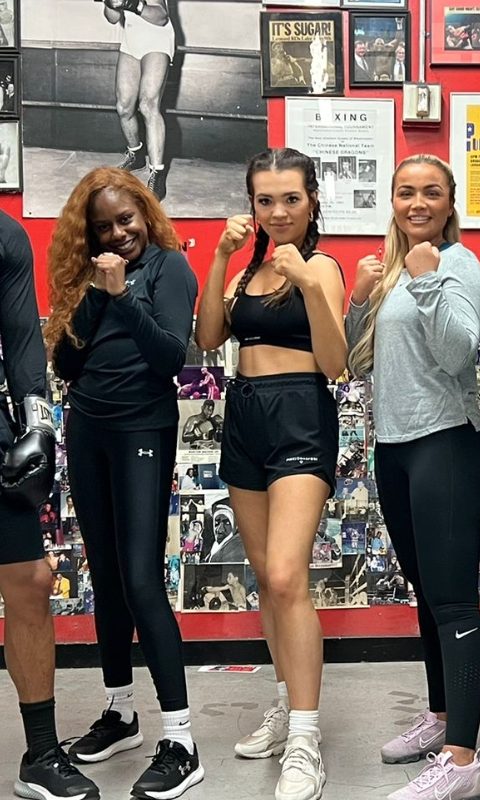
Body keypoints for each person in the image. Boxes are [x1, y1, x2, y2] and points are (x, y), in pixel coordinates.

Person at [44, 167, 201, 799]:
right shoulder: (90, 277)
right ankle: (121, 712)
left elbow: (170, 358)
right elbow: (66, 362)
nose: (117, 234)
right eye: (103, 226)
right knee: (104, 576)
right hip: (88, 429)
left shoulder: (169, 268)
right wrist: (94, 294)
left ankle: (182, 740)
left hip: (142, 428)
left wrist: (123, 295)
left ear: (146, 213)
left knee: (140, 579)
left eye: (126, 219)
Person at [195, 147, 346, 800]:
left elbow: (335, 364)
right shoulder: (247, 269)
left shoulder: (322, 266)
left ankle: (306, 741)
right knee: (264, 579)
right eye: (265, 200)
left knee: (288, 576)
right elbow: (208, 338)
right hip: (245, 414)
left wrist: (308, 285)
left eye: (291, 198)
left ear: (312, 202)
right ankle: (286, 707)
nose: (278, 211)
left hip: (300, 414)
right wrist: (220, 257)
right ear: (251, 204)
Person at [346, 153, 480, 800]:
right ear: (394, 201)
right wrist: (359, 298)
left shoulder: (458, 265)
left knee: (453, 600)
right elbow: (358, 363)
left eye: (432, 192)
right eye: (406, 192)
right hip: (395, 447)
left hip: (447, 443)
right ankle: (441, 718)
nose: (418, 203)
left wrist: (428, 279)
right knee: (428, 596)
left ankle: (463, 761)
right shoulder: (392, 269)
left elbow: (459, 354)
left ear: (450, 202)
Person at [0, 212, 99, 800]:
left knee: (31, 580)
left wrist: (36, 422)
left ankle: (40, 753)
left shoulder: (5, 235)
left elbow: (20, 337)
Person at [102, 0, 175, 201]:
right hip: (132, 41)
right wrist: (110, 3)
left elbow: (161, 17)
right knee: (124, 107)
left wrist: (131, 3)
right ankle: (136, 155)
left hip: (157, 39)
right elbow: (112, 18)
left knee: (148, 104)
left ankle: (157, 173)